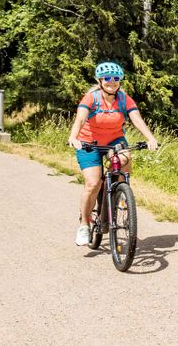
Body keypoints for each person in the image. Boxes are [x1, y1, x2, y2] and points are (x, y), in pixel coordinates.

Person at [66, 61, 160, 246]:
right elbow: (81, 118)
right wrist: (73, 136)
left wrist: (150, 138)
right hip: (88, 143)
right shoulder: (91, 98)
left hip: (114, 141)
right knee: (93, 183)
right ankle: (84, 225)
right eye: (107, 78)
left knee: (124, 161)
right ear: (100, 80)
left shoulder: (124, 99)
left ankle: (118, 194)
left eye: (116, 78)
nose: (112, 82)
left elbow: (136, 119)